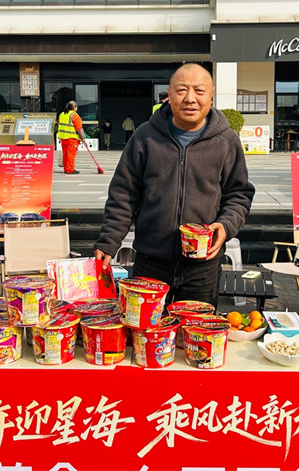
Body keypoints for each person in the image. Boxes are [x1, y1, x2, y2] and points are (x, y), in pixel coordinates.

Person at [94, 63, 255, 307]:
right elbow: (124, 195)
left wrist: (225, 225)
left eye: (199, 91)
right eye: (181, 90)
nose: (190, 98)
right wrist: (109, 241)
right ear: (169, 94)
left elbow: (239, 194)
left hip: (203, 266)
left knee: (195, 329)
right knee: (144, 328)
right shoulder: (145, 137)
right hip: (150, 262)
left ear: (211, 95)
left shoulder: (226, 141)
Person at [57, 100, 86, 174]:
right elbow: (79, 128)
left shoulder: (62, 114)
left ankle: (66, 168)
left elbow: (59, 124)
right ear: (74, 107)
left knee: (65, 154)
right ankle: (70, 169)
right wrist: (83, 138)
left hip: (63, 137)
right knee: (71, 154)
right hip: (72, 138)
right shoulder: (74, 115)